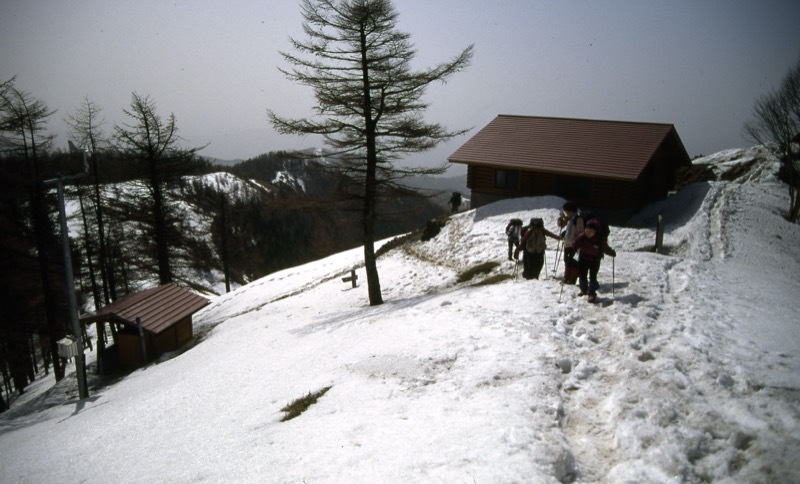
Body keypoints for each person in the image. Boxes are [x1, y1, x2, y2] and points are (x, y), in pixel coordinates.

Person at [571, 219, 616, 302]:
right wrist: (571, 251)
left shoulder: (599, 239)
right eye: (587, 230)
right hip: (583, 259)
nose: (588, 232)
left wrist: (611, 252)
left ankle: (591, 293)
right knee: (582, 275)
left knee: (593, 277)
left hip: (594, 261)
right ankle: (583, 289)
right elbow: (575, 244)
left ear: (596, 231)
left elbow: (605, 248)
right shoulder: (582, 237)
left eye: (591, 231)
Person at [557, 202, 584, 284]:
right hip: (567, 243)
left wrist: (578, 243)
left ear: (571, 211)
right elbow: (560, 225)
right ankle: (566, 277)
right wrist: (561, 219)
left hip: (574, 244)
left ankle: (572, 278)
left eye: (567, 211)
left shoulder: (578, 219)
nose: (566, 213)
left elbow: (581, 232)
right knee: (567, 260)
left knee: (573, 262)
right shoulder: (569, 219)